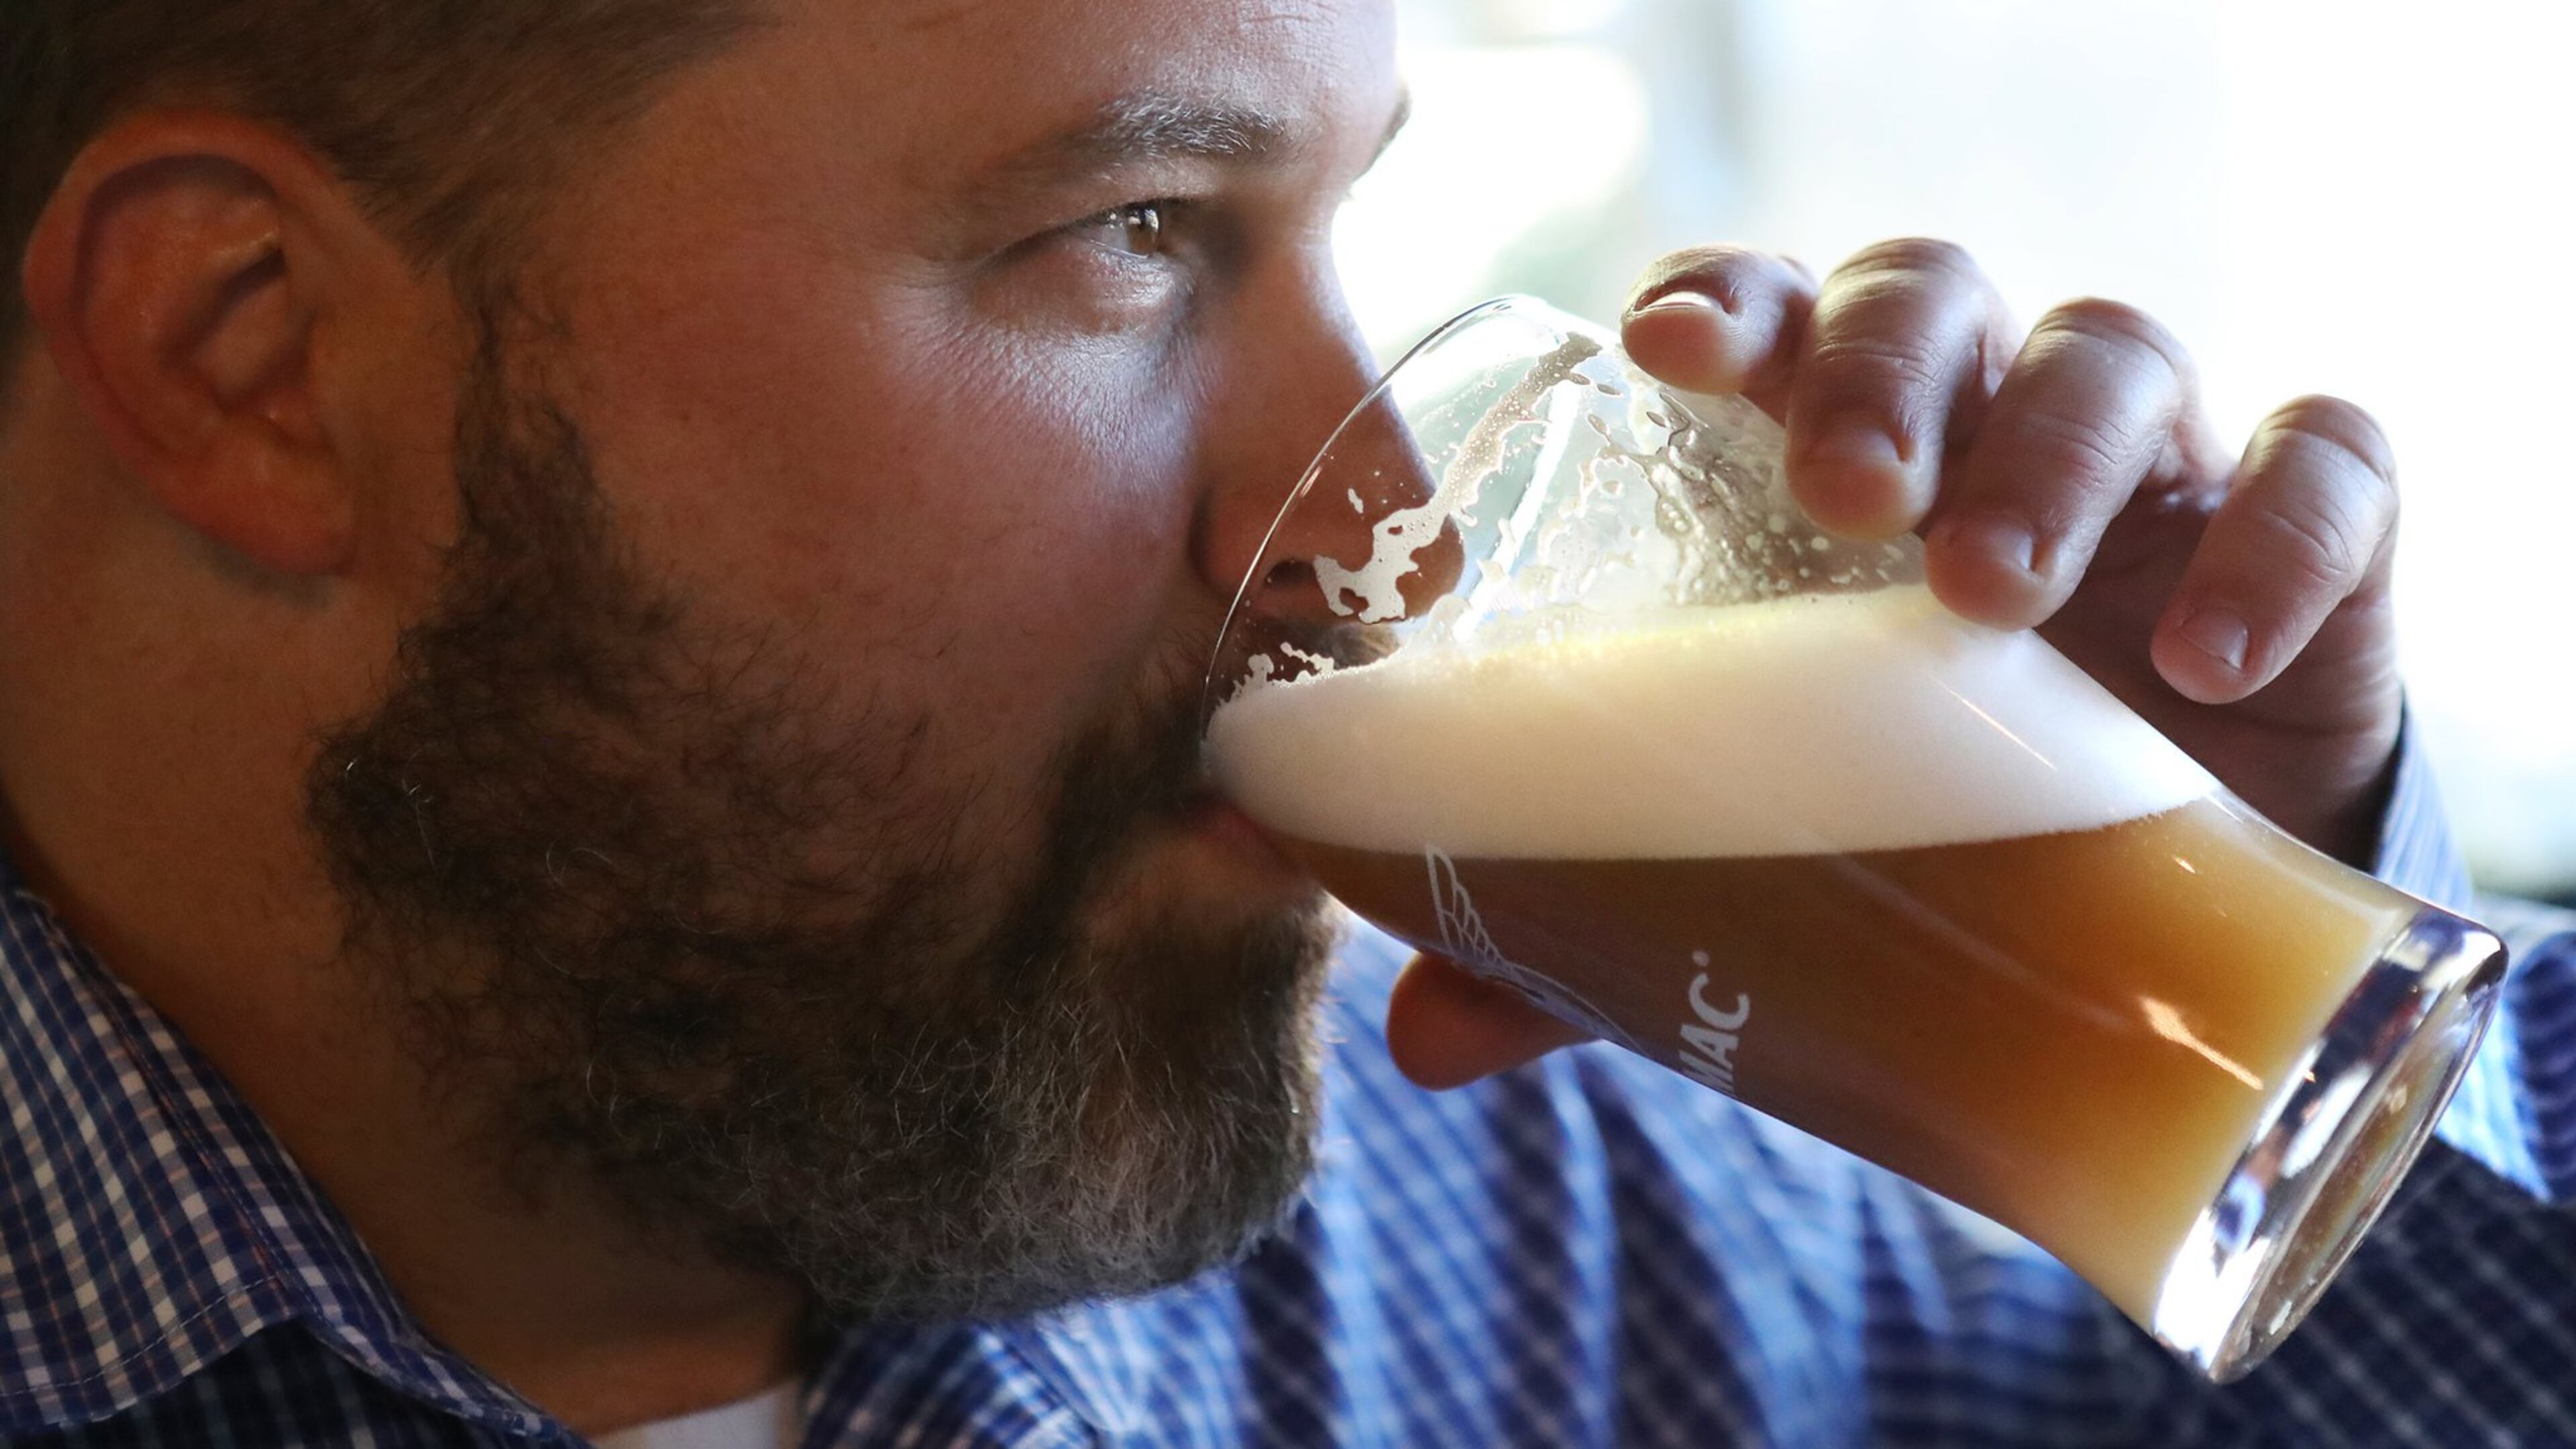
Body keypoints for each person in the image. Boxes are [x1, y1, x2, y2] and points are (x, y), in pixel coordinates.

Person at [0, 1, 2568, 1445]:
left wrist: (2269, 898)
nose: (1385, 533)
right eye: (1131, 235)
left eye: (1342, 228)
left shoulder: (1517, 1188)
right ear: (252, 358)